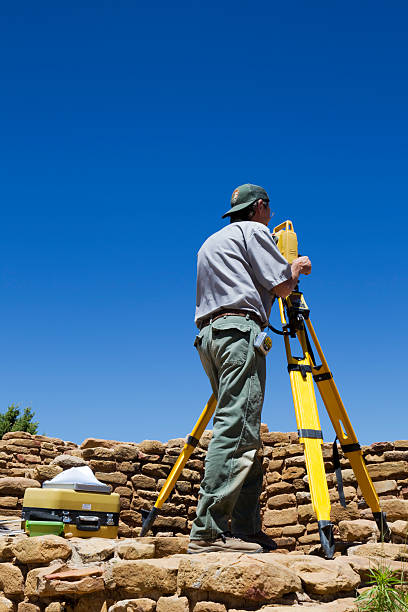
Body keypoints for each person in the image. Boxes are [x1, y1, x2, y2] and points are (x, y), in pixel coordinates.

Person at [188, 183, 312, 554]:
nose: (270, 216)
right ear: (260, 207)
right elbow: (283, 285)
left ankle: (245, 528)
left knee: (244, 430)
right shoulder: (254, 231)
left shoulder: (210, 242)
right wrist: (297, 266)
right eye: (268, 208)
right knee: (237, 428)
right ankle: (208, 532)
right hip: (239, 333)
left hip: (210, 337)